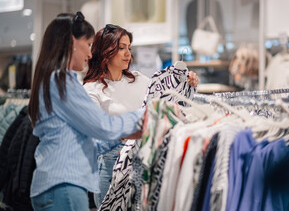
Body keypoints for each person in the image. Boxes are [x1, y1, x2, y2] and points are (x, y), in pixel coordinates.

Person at [28, 12, 144, 211]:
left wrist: (122, 135)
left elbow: (86, 141)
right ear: (73, 42)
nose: (90, 54)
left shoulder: (52, 81)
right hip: (64, 185)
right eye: (88, 45)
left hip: (55, 185)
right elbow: (103, 125)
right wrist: (148, 116)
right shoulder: (62, 82)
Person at [83, 24, 199, 207]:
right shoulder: (92, 90)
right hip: (111, 164)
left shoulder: (139, 80)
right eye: (121, 48)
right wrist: (125, 134)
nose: (128, 53)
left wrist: (187, 84)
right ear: (106, 50)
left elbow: (168, 100)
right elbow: (93, 138)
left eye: (129, 48)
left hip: (144, 158)